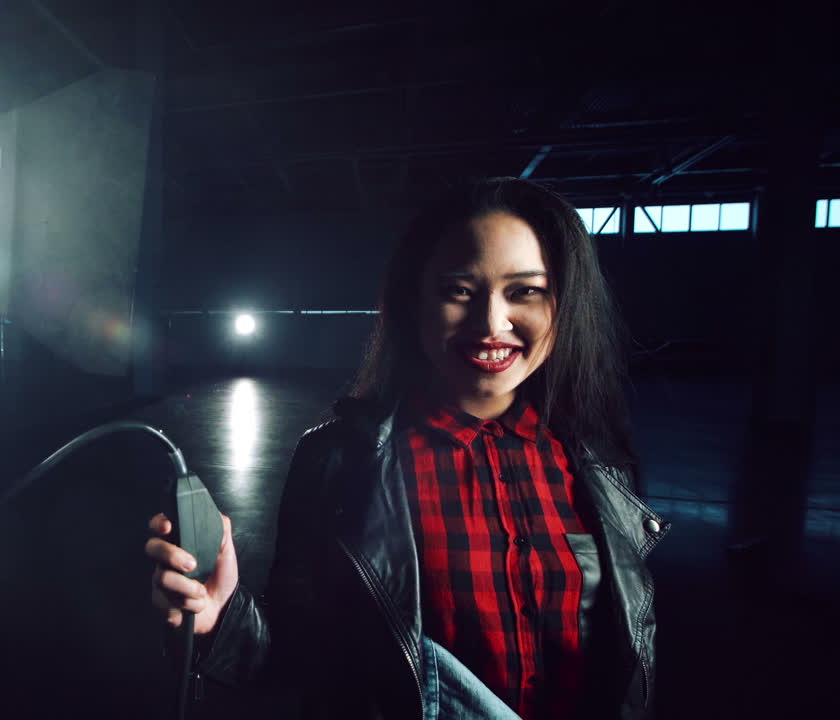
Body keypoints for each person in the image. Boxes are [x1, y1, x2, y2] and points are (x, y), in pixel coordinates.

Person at [145, 177, 671, 720]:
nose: (492, 323)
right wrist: (217, 618)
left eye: (525, 291)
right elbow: (299, 667)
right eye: (460, 291)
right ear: (413, 303)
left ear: (564, 305)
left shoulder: (601, 463)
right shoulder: (339, 462)